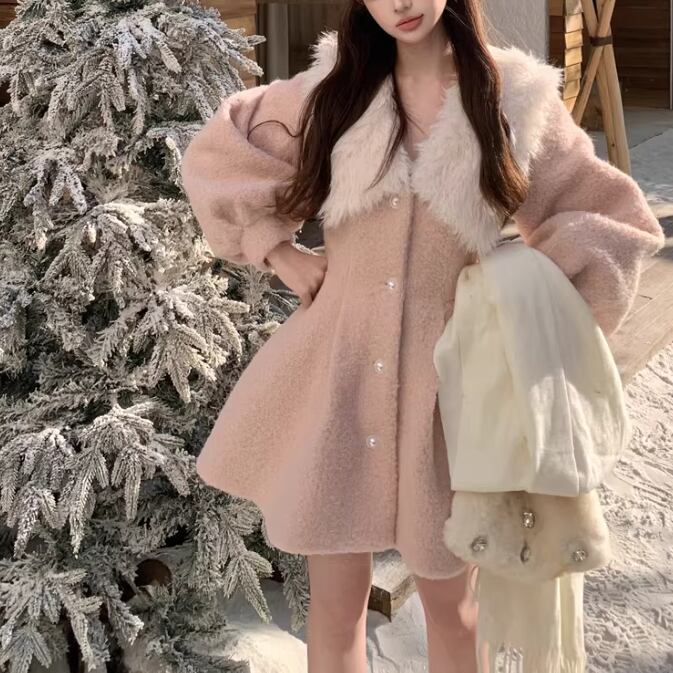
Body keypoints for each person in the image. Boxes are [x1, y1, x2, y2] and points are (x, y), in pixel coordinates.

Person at [179, 0, 666, 670]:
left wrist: (524, 307)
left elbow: (607, 218)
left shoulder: (513, 98)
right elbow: (219, 156)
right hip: (339, 375)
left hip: (449, 393)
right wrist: (278, 249)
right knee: (335, 607)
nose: (400, 4)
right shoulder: (331, 90)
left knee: (453, 608)